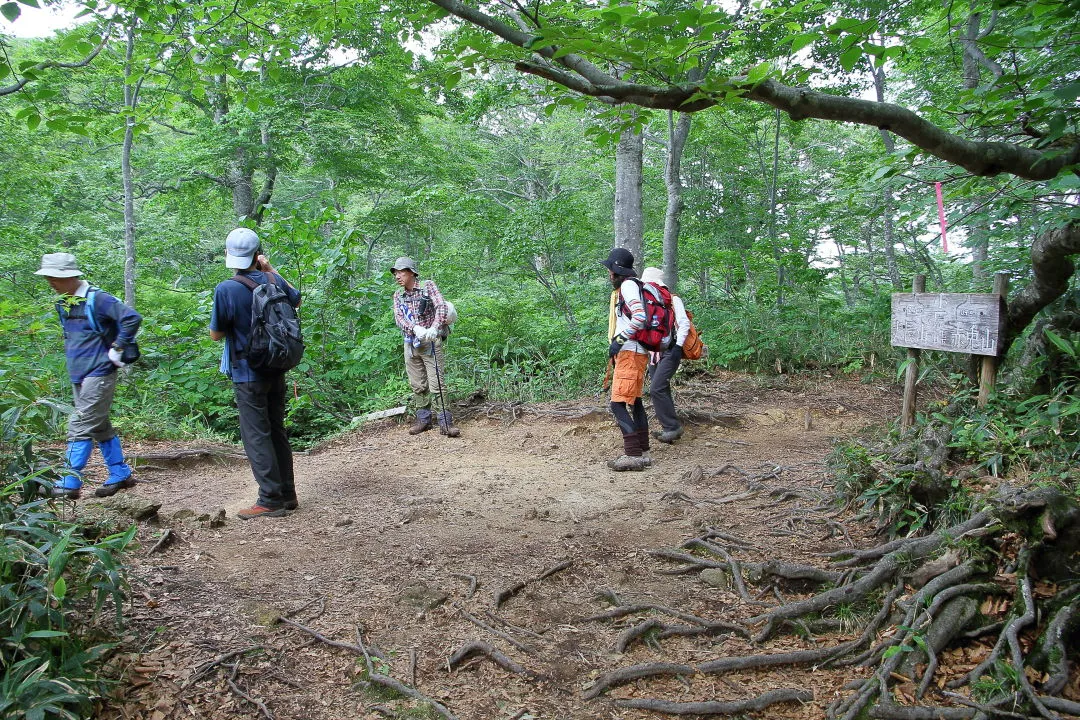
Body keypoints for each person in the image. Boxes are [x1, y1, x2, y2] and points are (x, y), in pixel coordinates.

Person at [210, 228, 302, 519]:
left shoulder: (227, 288)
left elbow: (216, 334)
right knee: (276, 430)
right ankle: (287, 494)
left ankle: (269, 499)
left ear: (229, 255)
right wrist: (270, 268)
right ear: (257, 254)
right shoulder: (273, 280)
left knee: (256, 436)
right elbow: (296, 299)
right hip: (277, 367)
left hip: (247, 372)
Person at [36, 253, 142, 499]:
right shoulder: (64, 301)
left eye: (56, 277)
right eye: (49, 277)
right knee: (99, 425)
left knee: (80, 425)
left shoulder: (98, 299)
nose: (51, 281)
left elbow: (131, 318)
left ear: (71, 276)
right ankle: (120, 473)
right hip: (79, 374)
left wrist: (117, 347)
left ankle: (69, 482)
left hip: (100, 372)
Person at [391, 256, 459, 437]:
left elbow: (441, 308)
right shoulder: (398, 295)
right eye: (396, 273)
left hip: (430, 342)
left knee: (437, 384)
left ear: (411, 273)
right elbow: (399, 317)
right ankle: (424, 420)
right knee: (417, 384)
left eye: (401, 272)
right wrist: (414, 328)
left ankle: (445, 423)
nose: (397, 276)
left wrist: (434, 328)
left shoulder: (428, 287)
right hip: (410, 343)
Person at [602, 248, 652, 471]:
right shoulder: (637, 286)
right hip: (637, 352)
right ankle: (644, 452)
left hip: (630, 352)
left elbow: (640, 316)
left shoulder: (629, 286)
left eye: (609, 270)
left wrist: (619, 340)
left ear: (615, 271)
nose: (609, 275)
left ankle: (633, 454)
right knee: (635, 401)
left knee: (617, 403)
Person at [641, 267, 690, 443]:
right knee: (662, 388)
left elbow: (683, 323)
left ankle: (672, 427)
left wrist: (677, 347)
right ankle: (670, 428)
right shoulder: (650, 301)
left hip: (671, 350)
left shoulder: (673, 300)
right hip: (655, 352)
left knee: (656, 388)